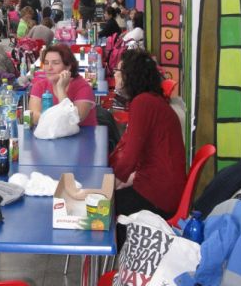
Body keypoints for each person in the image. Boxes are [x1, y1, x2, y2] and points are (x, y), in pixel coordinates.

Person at [109, 49, 186, 248]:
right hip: (163, 189)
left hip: (157, 195)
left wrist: (107, 186)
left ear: (130, 76)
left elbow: (129, 158)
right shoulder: (151, 100)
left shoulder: (142, 103)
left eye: (118, 71)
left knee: (99, 207)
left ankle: (120, 252)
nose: (115, 75)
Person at [29, 43, 97, 126]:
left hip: (82, 134)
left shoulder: (83, 87)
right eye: (46, 63)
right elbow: (34, 117)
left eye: (56, 63)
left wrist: (61, 89)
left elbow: (73, 120)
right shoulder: (39, 86)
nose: (49, 68)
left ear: (68, 66)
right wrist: (59, 119)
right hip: (49, 133)